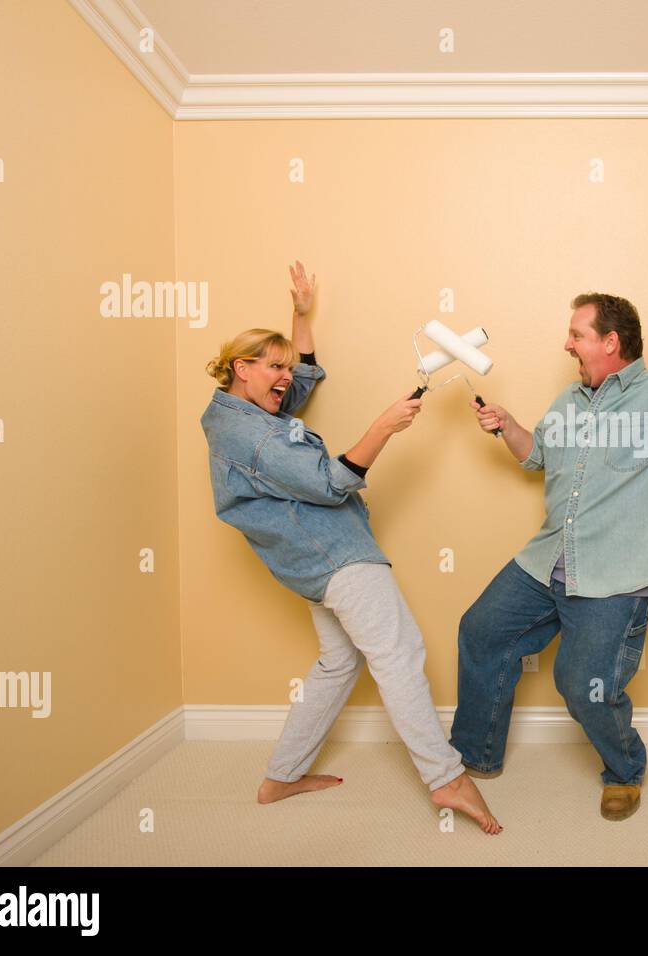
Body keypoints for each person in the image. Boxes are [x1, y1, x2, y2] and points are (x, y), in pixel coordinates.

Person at [451, 232, 648, 820]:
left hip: (616, 574)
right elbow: (537, 454)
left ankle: (625, 769)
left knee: (581, 683)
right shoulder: (570, 401)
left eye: (576, 334)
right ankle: (476, 755)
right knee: (481, 631)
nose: (566, 344)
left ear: (610, 341)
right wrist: (509, 425)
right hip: (549, 560)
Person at [200, 261, 501, 834]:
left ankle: (281, 776)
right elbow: (329, 483)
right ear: (242, 369)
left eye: (284, 366)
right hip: (335, 552)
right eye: (273, 366)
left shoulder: (240, 411)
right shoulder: (251, 434)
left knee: (340, 662)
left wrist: (301, 316)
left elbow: (305, 380)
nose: (286, 377)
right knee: (400, 653)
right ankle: (447, 778)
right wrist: (384, 427)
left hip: (309, 560)